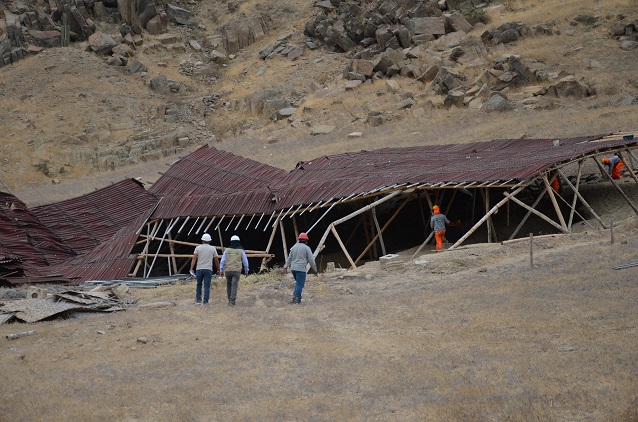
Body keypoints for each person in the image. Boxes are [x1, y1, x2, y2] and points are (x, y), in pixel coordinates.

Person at [282, 232, 317, 305]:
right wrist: (314, 269)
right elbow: (311, 260)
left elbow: (289, 258)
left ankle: (295, 298)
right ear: (306, 240)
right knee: (300, 284)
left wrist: (285, 267)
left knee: (298, 283)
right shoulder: (307, 248)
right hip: (301, 269)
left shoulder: (293, 247)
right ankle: (296, 300)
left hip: (293, 268)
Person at [190, 233, 220, 305]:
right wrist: (218, 269)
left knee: (199, 284)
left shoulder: (198, 248)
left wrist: (191, 268)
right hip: (208, 269)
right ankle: (205, 301)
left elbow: (194, 258)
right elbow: (216, 260)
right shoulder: (213, 248)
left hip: (199, 269)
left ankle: (198, 300)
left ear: (202, 240)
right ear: (209, 241)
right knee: (207, 286)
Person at [219, 235, 249, 306]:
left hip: (228, 270)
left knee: (229, 285)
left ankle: (229, 299)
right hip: (236, 270)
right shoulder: (241, 251)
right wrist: (246, 271)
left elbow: (222, 261)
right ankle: (232, 301)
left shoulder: (227, 250)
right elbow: (245, 262)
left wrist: (221, 270)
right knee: (234, 285)